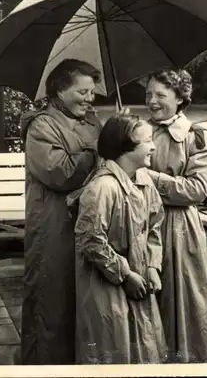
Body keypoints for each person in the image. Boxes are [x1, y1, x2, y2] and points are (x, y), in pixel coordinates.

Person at [20, 59, 103, 364]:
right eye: (83, 92)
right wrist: (96, 149)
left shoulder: (91, 121)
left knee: (82, 301)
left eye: (92, 92)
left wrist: (118, 132)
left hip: (86, 223)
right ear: (60, 90)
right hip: (54, 227)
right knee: (50, 302)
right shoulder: (41, 125)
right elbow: (60, 173)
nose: (89, 98)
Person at [74, 115, 168, 364]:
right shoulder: (103, 187)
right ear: (125, 147)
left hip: (140, 278)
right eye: (147, 140)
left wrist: (152, 266)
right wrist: (126, 275)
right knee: (113, 348)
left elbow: (155, 225)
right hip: (107, 286)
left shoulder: (144, 179)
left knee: (142, 347)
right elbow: (90, 240)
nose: (154, 146)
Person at [145, 68, 207, 363]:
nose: (152, 101)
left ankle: (183, 360)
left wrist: (151, 178)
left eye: (160, 95)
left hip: (177, 227)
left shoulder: (196, 137)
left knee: (180, 295)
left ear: (180, 98)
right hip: (142, 224)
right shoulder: (137, 131)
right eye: (149, 94)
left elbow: (197, 190)